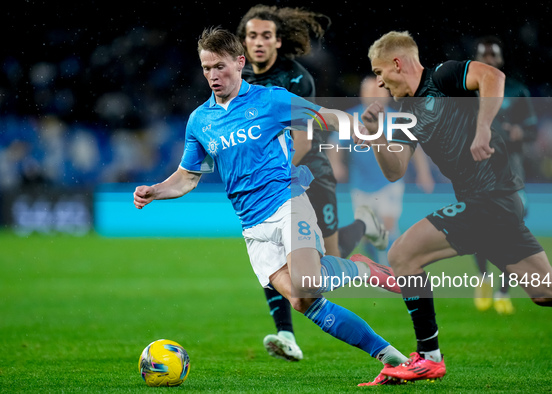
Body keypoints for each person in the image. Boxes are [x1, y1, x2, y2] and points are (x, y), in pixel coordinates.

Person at [133, 27, 407, 386]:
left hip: (287, 203)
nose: (213, 76)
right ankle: (391, 357)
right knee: (302, 302)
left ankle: (360, 269)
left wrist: (354, 126)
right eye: (205, 69)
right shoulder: (200, 120)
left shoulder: (271, 100)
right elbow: (187, 177)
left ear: (240, 62)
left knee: (307, 283)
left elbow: (324, 115)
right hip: (252, 226)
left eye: (220, 67)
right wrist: (155, 190)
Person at [356, 30, 552, 384]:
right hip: (488, 203)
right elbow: (395, 170)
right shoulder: (408, 111)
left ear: (397, 63)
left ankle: (429, 358)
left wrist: (483, 128)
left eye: (378, 72)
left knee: (403, 254)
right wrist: (375, 135)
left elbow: (493, 76)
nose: (378, 82)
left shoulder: (443, 76)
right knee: (546, 291)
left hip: (491, 198)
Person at [236, 4, 388, 362]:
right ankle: (285, 333)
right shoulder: (240, 81)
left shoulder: (297, 78)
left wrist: (273, 173)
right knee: (272, 251)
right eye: (252, 36)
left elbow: (303, 139)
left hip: (311, 170)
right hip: (274, 183)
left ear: (278, 41)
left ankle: (365, 223)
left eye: (266, 36)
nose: (259, 42)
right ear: (243, 42)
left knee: (330, 261)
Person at [328, 75, 435, 266]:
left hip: (389, 183)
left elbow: (416, 149)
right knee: (367, 233)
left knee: (388, 225)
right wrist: (336, 164)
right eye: (369, 91)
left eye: (378, 91)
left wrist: (423, 173)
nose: (374, 95)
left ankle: (390, 267)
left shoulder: (398, 120)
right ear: (362, 95)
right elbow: (334, 143)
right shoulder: (352, 118)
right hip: (360, 184)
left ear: (388, 95)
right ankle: (375, 264)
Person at [472, 35, 538, 315]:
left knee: (511, 230)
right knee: (477, 229)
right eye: (483, 56)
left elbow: (533, 129)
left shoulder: (516, 90)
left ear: (500, 59)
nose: (489, 60)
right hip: (477, 170)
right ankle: (484, 279)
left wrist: (519, 132)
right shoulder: (466, 93)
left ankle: (503, 291)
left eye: (493, 56)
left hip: (511, 172)